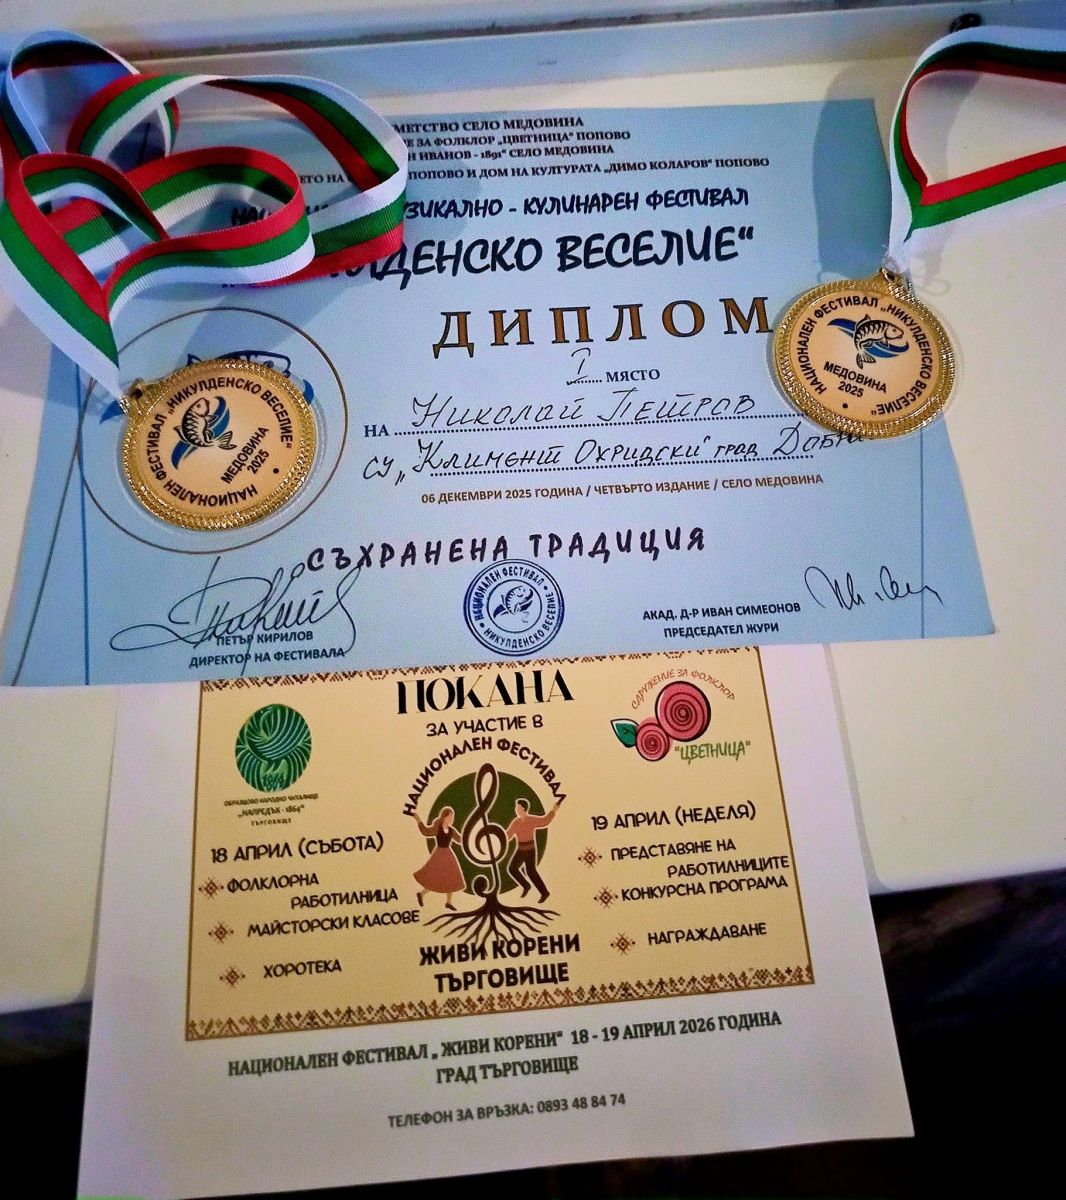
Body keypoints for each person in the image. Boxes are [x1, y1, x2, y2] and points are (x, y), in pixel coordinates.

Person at [504, 797, 562, 904]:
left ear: (523, 808)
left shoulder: (530, 819)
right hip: (521, 849)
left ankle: (544, 892)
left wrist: (554, 810)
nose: (516, 809)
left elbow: (545, 821)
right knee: (512, 868)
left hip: (530, 849)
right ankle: (526, 885)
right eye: (516, 807)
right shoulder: (516, 822)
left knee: (531, 872)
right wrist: (496, 835)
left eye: (518, 807)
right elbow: (508, 835)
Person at [410, 807, 465, 911]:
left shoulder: (451, 830)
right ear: (444, 817)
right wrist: (418, 819)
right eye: (449, 817)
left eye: (452, 817)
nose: (451, 819)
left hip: (448, 855)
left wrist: (468, 837)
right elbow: (425, 831)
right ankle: (421, 894)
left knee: (451, 877)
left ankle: (448, 902)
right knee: (435, 877)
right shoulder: (437, 828)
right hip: (439, 854)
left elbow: (460, 839)